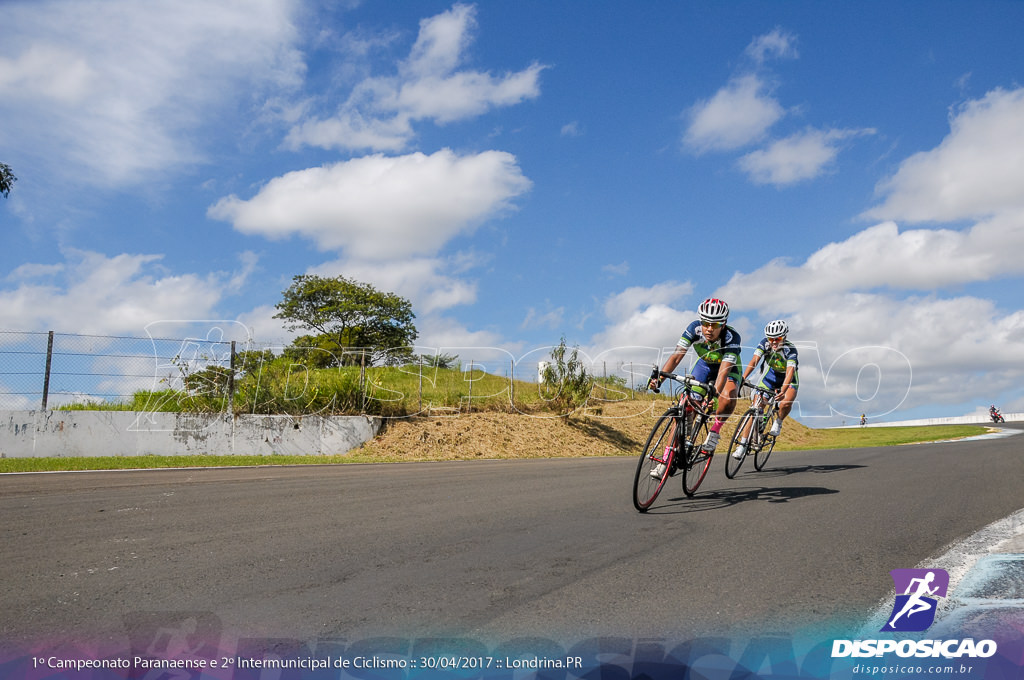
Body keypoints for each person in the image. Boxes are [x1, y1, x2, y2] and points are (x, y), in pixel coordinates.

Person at [647, 298, 742, 478]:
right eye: (705, 323)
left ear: (724, 324)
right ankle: (666, 460)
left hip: (727, 368)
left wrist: (713, 394)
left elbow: (722, 373)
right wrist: (659, 379)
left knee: (728, 394)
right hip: (704, 366)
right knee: (683, 412)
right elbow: (676, 357)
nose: (709, 328)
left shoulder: (731, 338)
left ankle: (715, 432)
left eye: (714, 324)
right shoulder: (694, 329)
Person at [731, 320, 799, 460]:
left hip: (788, 379)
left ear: (784, 337)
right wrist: (742, 378)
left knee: (786, 403)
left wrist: (783, 390)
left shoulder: (790, 350)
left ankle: (778, 421)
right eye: (771, 338)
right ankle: (743, 445)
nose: (773, 342)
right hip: (771, 377)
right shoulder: (765, 344)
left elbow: (790, 372)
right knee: (755, 408)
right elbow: (754, 361)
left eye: (777, 339)